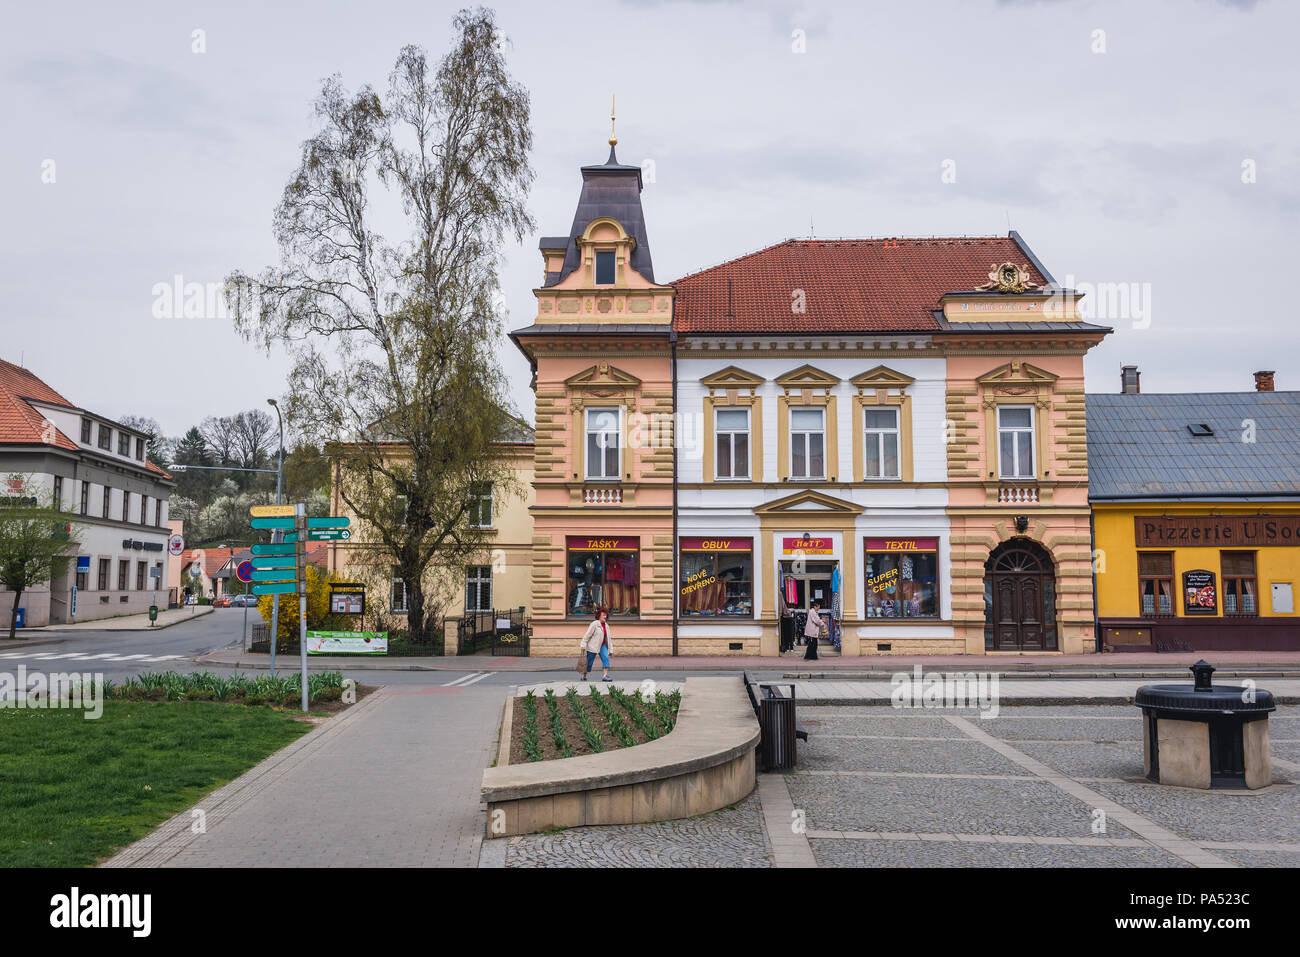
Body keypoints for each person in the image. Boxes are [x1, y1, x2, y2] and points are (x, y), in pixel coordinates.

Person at [579, 606, 614, 682]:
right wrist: (583, 644)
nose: (605, 616)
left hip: (603, 645)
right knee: (589, 662)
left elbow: (608, 638)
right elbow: (587, 635)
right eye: (603, 615)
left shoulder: (607, 626)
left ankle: (605, 676)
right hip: (593, 646)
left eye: (606, 615)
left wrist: (610, 649)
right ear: (599, 616)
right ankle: (584, 675)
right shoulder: (594, 624)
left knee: (605, 658)